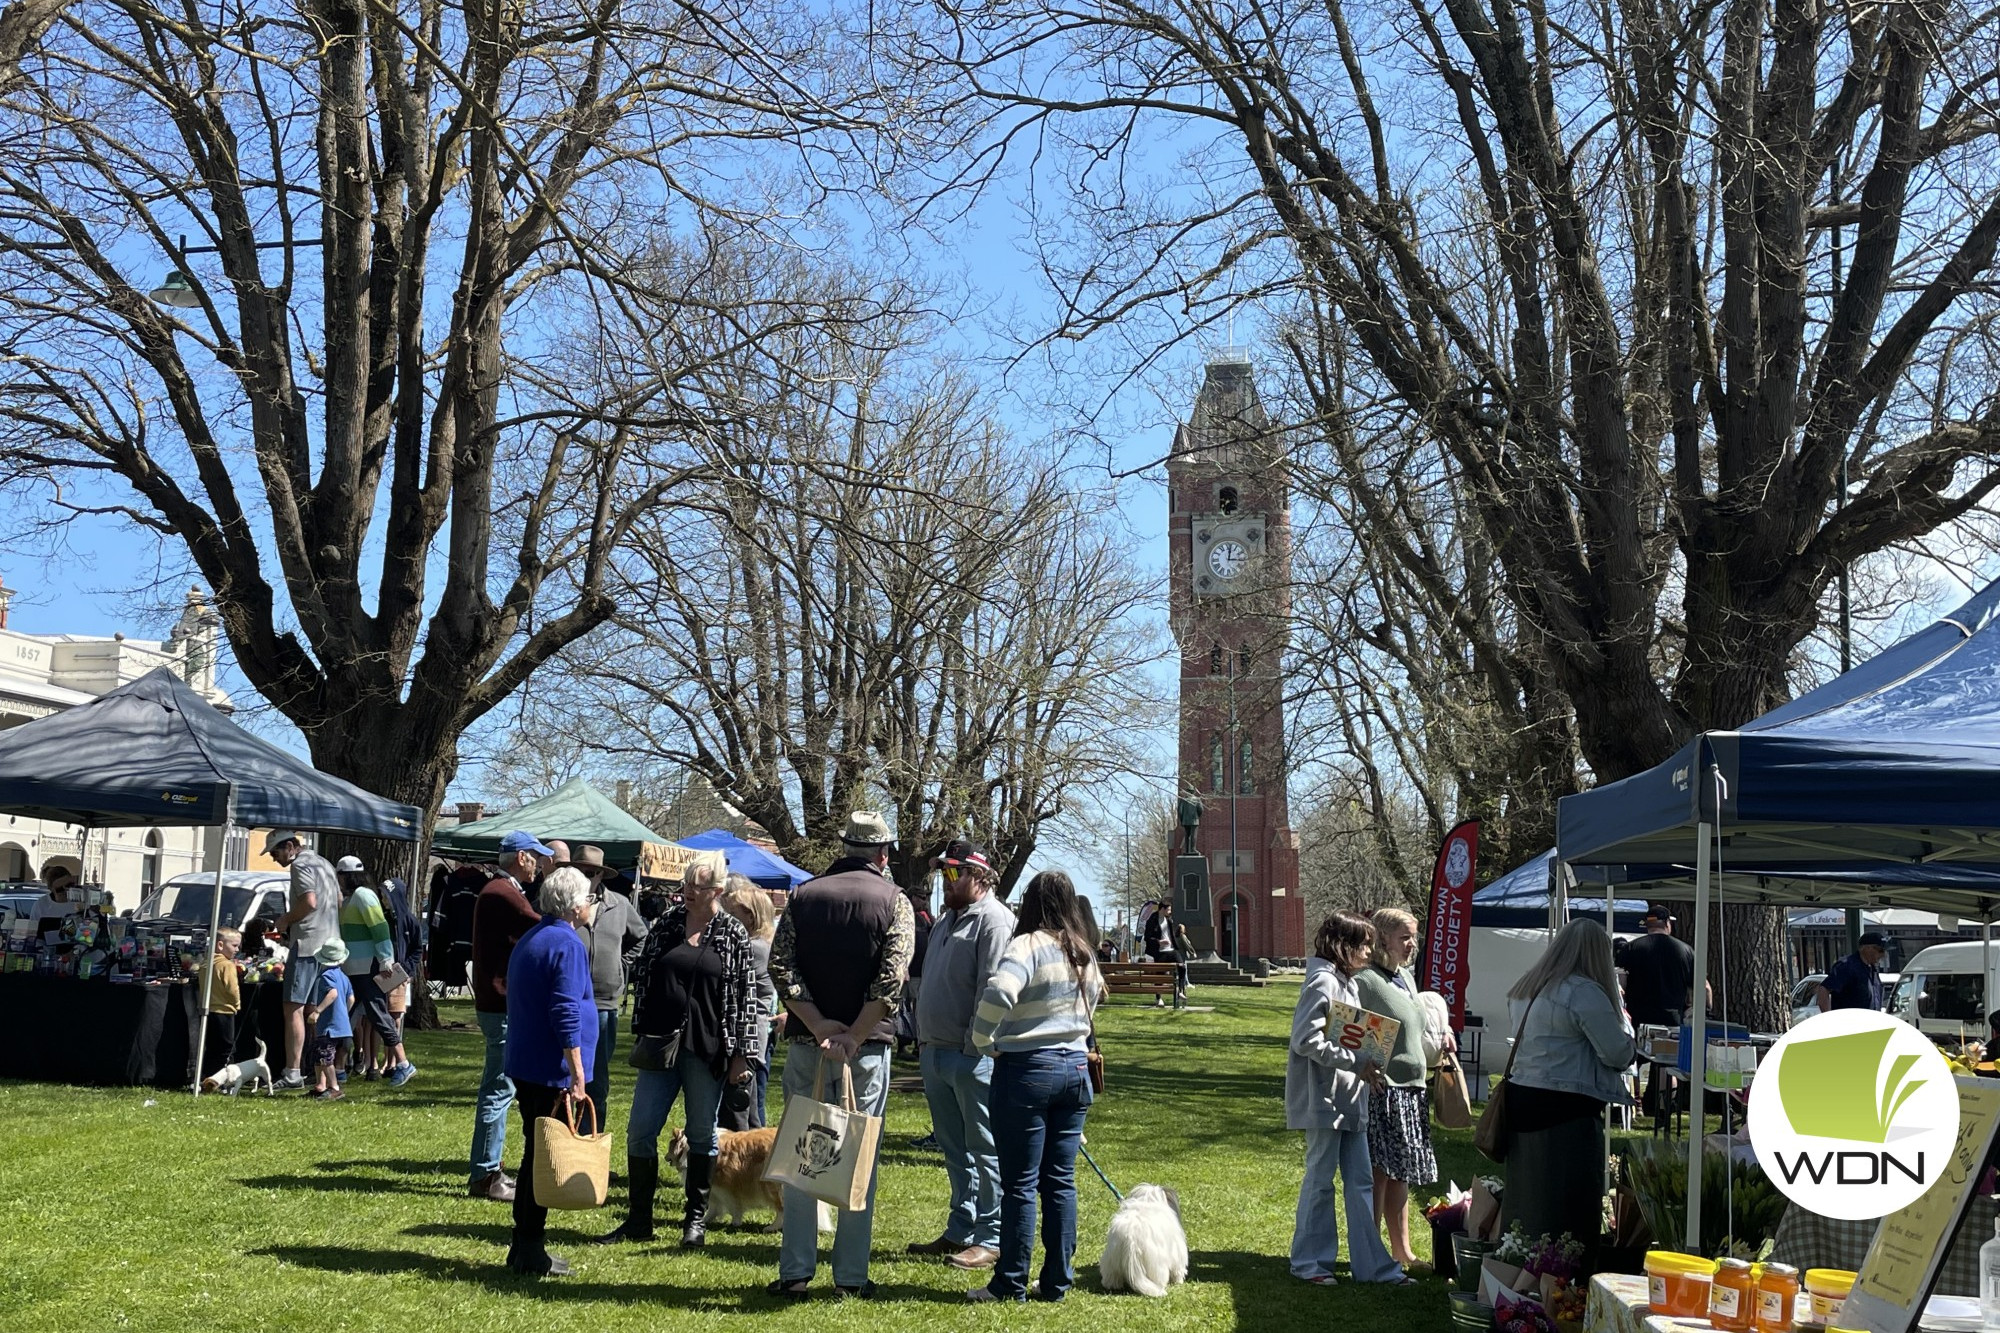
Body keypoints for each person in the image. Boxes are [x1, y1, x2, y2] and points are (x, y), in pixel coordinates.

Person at [766, 811, 916, 1301]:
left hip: (810, 1046)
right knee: (858, 1158)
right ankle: (850, 1276)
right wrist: (854, 1033)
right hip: (866, 1051)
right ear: (884, 854)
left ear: (844, 847)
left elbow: (779, 964)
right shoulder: (895, 901)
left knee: (801, 1157)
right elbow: (892, 979)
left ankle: (795, 1272)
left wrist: (816, 1023)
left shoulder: (803, 896)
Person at [597, 860, 758, 1248]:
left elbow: (746, 998)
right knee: (640, 1132)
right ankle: (638, 1220)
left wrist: (743, 1055)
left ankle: (696, 1221)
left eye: (697, 887)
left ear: (717, 891)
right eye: (685, 884)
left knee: (703, 1134)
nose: (687, 891)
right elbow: (646, 974)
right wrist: (639, 1027)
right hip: (659, 1044)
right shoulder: (667, 924)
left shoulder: (733, 933)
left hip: (708, 1049)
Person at [966, 869, 1104, 1304]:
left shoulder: (1025, 946)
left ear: (1029, 903)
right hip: (1075, 1069)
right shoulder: (1083, 951)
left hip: (1026, 1070)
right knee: (1060, 1182)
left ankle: (1010, 1282)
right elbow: (1097, 997)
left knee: (1020, 1184)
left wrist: (982, 1040)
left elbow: (999, 992)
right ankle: (1058, 1281)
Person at [1501, 918, 1635, 1261]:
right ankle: (1564, 1279)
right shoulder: (1583, 991)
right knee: (1568, 1206)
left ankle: (1518, 1269)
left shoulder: (1528, 986)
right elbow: (1616, 1052)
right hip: (1567, 1111)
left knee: (1527, 1201)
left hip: (1523, 1100)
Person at [909, 839, 1012, 1271]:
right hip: (934, 1052)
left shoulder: (995, 921)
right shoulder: (943, 921)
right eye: (943, 873)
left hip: (971, 1058)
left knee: (985, 1151)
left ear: (979, 876)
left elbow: (994, 988)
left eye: (954, 873)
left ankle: (990, 1237)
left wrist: (976, 1046)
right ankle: (960, 1228)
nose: (945, 882)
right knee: (954, 1151)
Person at [1288, 911, 1405, 1286]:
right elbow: (1305, 1040)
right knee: (1321, 1179)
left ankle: (1373, 1267)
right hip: (1324, 1098)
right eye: (1364, 944)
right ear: (1344, 946)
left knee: (1361, 1181)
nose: (1369, 952)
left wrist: (1369, 1062)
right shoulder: (1322, 982)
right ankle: (1310, 1263)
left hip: (1350, 1097)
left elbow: (1353, 1037)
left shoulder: (1349, 984)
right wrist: (1356, 1061)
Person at [502, 865, 597, 1277]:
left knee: (534, 1154)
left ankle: (524, 1246)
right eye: (589, 897)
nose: (591, 903)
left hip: (527, 1062)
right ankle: (529, 1249)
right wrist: (576, 1070)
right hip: (548, 1068)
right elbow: (565, 1009)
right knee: (542, 1157)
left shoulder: (534, 937)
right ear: (576, 904)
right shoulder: (566, 943)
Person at [1354, 906, 1446, 1274]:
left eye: (1414, 936)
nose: (1412, 944)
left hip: (1412, 1089)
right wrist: (1366, 1064)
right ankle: (1371, 1249)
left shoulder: (1404, 977)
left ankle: (1402, 1251)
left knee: (1401, 1172)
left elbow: (1415, 1021)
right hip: (1384, 1090)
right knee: (1381, 1172)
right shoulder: (1366, 980)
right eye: (1404, 937)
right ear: (1382, 939)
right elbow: (1346, 1030)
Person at [466, 831, 554, 1203]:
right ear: (521, 857)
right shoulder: (503, 894)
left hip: (499, 1004)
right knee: (499, 1090)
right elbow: (543, 927)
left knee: (500, 1087)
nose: (540, 864)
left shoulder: (499, 892)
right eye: (536, 857)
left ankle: (489, 1170)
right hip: (501, 1006)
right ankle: (487, 1174)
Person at [573, 845, 648, 1129]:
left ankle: (591, 1143)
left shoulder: (618, 904)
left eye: (591, 873)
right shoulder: (559, 903)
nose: (585, 877)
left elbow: (642, 938)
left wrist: (621, 965)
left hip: (604, 1004)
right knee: (562, 1076)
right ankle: (557, 1147)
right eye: (579, 870)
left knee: (597, 1079)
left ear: (601, 875)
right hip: (567, 1000)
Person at [266, 830, 342, 1092]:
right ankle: (316, 1069)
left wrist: (286, 920)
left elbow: (309, 902)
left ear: (290, 846)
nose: (274, 859)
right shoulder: (325, 863)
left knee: (293, 1008)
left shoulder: (300, 865)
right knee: (315, 1010)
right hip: (331, 946)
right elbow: (339, 900)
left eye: (275, 853)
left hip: (308, 945)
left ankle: (293, 1072)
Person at [336, 855, 416, 1087]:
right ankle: (339, 1066)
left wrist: (385, 960)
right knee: (347, 1018)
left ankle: (403, 1063)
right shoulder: (352, 898)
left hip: (368, 968)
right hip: (354, 969)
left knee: (378, 1015)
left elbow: (380, 929)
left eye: (339, 876)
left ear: (345, 876)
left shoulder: (363, 896)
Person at [1616, 903, 1701, 1118]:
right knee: (1668, 1064)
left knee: (1633, 1060)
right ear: (1667, 924)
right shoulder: (1686, 950)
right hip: (1672, 1017)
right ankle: (1664, 1105)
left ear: (1647, 925)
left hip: (1638, 1015)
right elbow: (1702, 987)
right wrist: (1700, 1009)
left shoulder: (1630, 949)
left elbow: (1621, 983)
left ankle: (1636, 1102)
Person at [718, 875, 779, 1131]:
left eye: (732, 913)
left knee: (738, 1111)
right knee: (751, 1108)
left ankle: (741, 1163)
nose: (726, 919)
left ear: (750, 917)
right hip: (756, 1035)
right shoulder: (765, 943)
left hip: (748, 1036)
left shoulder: (753, 948)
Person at [308, 940, 355, 1101]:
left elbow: (332, 993)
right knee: (319, 1055)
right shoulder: (343, 977)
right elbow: (351, 999)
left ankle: (334, 1087)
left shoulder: (326, 976)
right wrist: (344, 1014)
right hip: (342, 1026)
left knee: (325, 1057)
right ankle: (320, 1085)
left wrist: (317, 1011)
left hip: (328, 1026)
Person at [199, 927, 245, 1079]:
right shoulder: (227, 965)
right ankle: (223, 1078)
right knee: (226, 1048)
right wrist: (237, 1004)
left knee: (211, 1047)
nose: (237, 949)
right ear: (220, 945)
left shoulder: (206, 963)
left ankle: (207, 1075)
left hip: (207, 1009)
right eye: (234, 945)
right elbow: (232, 989)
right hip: (224, 1010)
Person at [1817, 932, 1890, 1011]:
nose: (1883, 955)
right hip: (1850, 1021)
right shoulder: (1847, 966)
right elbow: (1824, 989)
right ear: (1867, 948)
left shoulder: (1873, 970)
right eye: (1881, 950)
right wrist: (1829, 1018)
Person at [1144, 899, 1181, 1008]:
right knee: (1160, 976)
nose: (1170, 912)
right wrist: (1159, 942)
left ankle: (1181, 991)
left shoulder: (1169, 920)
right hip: (1159, 952)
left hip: (1171, 950)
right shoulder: (1152, 920)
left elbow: (1171, 935)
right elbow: (1147, 938)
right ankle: (1159, 998)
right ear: (1162, 909)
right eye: (1168, 909)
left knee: (1182, 966)